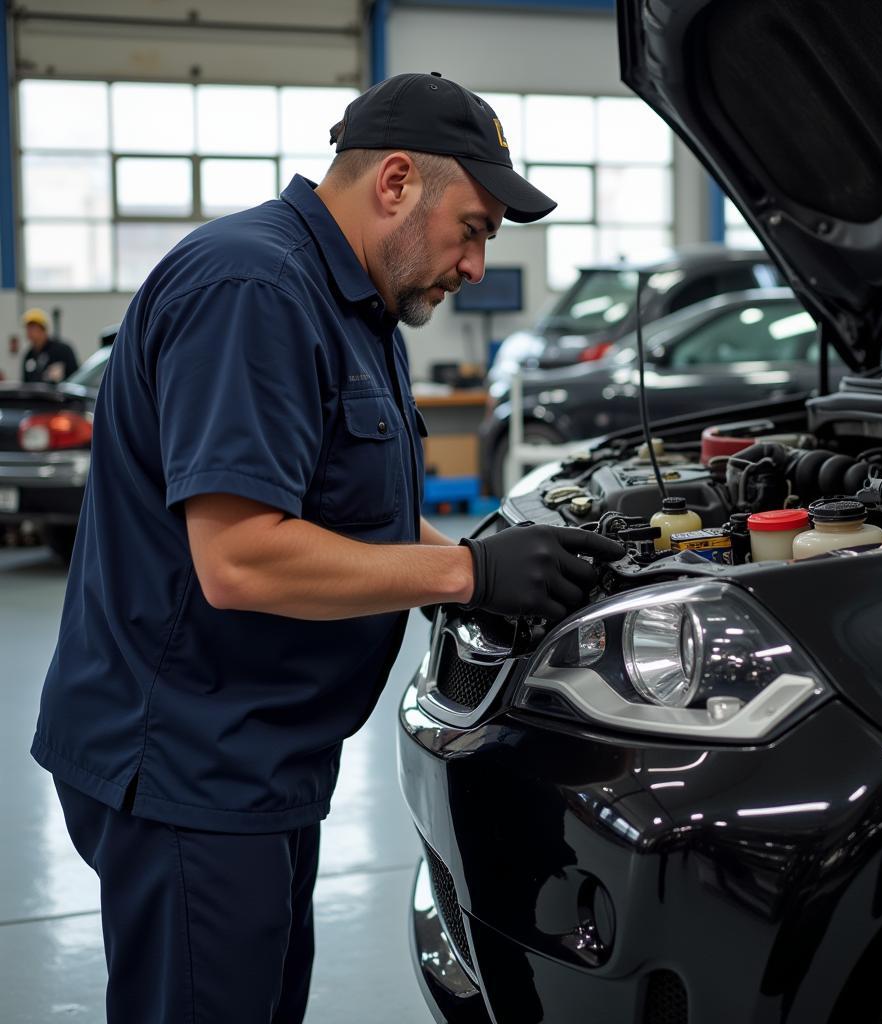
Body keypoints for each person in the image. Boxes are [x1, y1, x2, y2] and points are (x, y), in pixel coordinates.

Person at [31, 72, 624, 1024]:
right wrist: (465, 573)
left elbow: (350, 519)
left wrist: (482, 565)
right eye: (471, 227)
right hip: (187, 765)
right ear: (395, 181)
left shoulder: (357, 303)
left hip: (260, 758)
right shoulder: (252, 290)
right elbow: (240, 559)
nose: (476, 265)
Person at [20, 307, 78, 383]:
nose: (29, 332)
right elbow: (25, 383)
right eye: (28, 328)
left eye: (33, 328)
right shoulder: (29, 356)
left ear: (43, 329)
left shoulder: (62, 351)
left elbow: (75, 376)